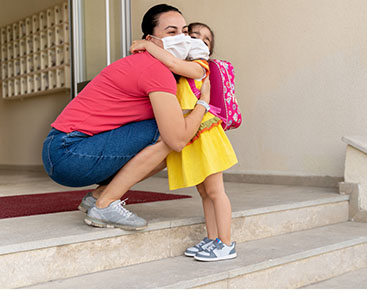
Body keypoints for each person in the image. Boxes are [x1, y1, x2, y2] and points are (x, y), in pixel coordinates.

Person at [41, 4, 210, 231]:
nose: (181, 38)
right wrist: (204, 103)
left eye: (185, 31)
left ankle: (99, 196)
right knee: (170, 133)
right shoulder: (154, 69)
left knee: (172, 127)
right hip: (69, 151)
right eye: (171, 32)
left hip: (64, 149)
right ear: (151, 40)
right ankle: (106, 204)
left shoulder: (153, 66)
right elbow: (177, 139)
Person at [129, 22, 238, 261]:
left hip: (205, 134)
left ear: (208, 50)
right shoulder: (178, 72)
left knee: (216, 191)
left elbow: (171, 61)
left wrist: (146, 44)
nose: (197, 40)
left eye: (205, 40)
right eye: (192, 34)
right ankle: (213, 239)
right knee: (204, 192)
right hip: (191, 134)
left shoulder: (199, 66)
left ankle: (227, 244)